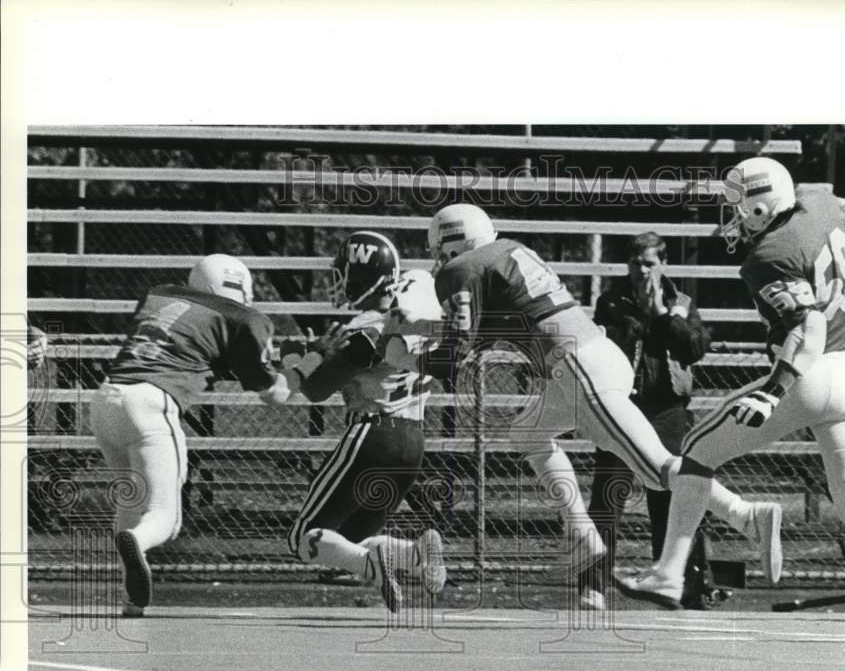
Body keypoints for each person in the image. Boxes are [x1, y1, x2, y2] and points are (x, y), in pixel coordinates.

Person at [618, 157, 845, 636]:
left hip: (807, 376)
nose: (730, 217)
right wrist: (835, 263)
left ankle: (668, 574)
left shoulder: (768, 255)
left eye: (735, 207)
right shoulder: (821, 202)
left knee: (694, 455)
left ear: (759, 205)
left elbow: (808, 327)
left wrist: (775, 391)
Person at [388, 203, 782, 600]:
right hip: (585, 360)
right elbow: (488, 330)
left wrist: (404, 356)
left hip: (577, 368)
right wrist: (422, 326)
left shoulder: (463, 268)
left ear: (452, 240)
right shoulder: (507, 251)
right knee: (527, 432)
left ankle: (747, 515)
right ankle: (582, 533)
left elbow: (453, 358)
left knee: (656, 469)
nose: (439, 258)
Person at [90, 254, 295, 616]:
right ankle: (136, 539)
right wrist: (301, 367)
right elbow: (273, 393)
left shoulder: (159, 295)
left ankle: (131, 599)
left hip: (106, 398)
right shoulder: (245, 318)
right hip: (151, 404)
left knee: (129, 497)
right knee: (165, 519)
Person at [580, 232, 763, 611]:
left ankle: (685, 584)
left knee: (675, 497)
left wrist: (662, 315)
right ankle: (594, 585)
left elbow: (694, 348)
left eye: (649, 263)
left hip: (666, 410)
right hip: (622, 406)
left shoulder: (681, 302)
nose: (642, 271)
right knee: (608, 495)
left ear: (662, 264)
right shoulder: (611, 301)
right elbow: (599, 347)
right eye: (635, 263)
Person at [280, 231, 447, 614]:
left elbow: (317, 389)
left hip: (373, 435)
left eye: (345, 273)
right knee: (345, 541)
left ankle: (373, 568)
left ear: (361, 275)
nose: (338, 281)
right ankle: (414, 556)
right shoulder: (416, 304)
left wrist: (297, 358)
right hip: (413, 442)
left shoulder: (366, 325)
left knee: (301, 538)